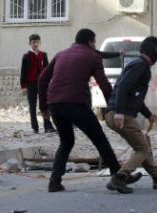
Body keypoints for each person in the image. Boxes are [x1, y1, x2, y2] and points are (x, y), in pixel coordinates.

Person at [38, 29, 133, 193]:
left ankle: (54, 182)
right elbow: (104, 84)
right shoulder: (92, 56)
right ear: (90, 42)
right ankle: (118, 177)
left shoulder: (61, 54)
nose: (95, 46)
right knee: (100, 140)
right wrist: (114, 108)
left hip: (55, 105)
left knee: (66, 142)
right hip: (76, 104)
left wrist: (44, 108)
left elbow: (42, 79)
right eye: (94, 43)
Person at [104, 36, 157, 193]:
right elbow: (123, 86)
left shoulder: (139, 65)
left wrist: (149, 115)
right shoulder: (140, 66)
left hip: (118, 114)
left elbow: (135, 97)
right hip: (121, 115)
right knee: (143, 149)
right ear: (155, 52)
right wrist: (120, 112)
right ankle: (120, 178)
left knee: (142, 146)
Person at [20, 34, 56, 134]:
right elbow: (23, 72)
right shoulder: (26, 56)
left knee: (44, 104)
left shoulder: (43, 55)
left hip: (43, 84)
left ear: (39, 43)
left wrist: (50, 81)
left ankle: (47, 126)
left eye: (37, 42)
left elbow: (48, 69)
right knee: (32, 105)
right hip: (31, 84)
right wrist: (23, 86)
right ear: (30, 43)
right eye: (33, 42)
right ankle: (34, 127)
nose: (35, 44)